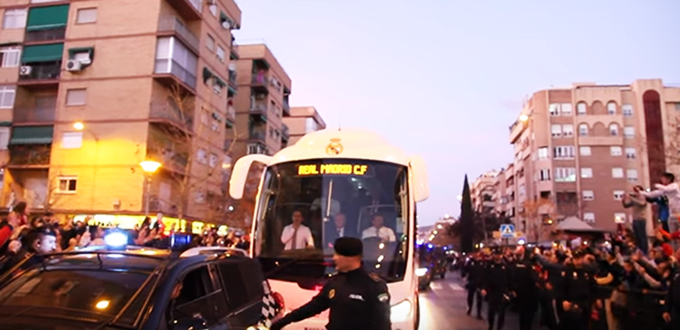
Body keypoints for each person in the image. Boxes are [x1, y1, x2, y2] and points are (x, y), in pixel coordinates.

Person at [269, 237, 391, 330]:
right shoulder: (335, 282)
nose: (334, 258)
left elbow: (383, 324)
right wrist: (282, 322)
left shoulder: (374, 286)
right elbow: (312, 307)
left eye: (338, 254)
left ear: (350, 257)